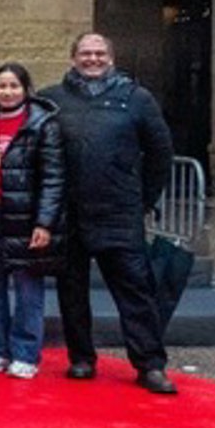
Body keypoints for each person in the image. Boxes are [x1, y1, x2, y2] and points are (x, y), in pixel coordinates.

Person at [41, 33, 177, 395]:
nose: (93, 59)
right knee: (72, 292)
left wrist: (143, 199)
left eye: (100, 53)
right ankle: (81, 358)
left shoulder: (137, 98)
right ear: (73, 58)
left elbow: (160, 152)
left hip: (119, 214)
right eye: (85, 53)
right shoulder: (51, 99)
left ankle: (150, 364)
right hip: (69, 213)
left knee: (135, 291)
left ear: (111, 58)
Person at [0, 63, 65, 380]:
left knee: (28, 290)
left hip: (26, 219)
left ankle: (25, 353)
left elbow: (53, 178)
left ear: (25, 89)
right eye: (1, 86)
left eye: (14, 86)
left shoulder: (43, 125)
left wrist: (45, 223)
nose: (7, 92)